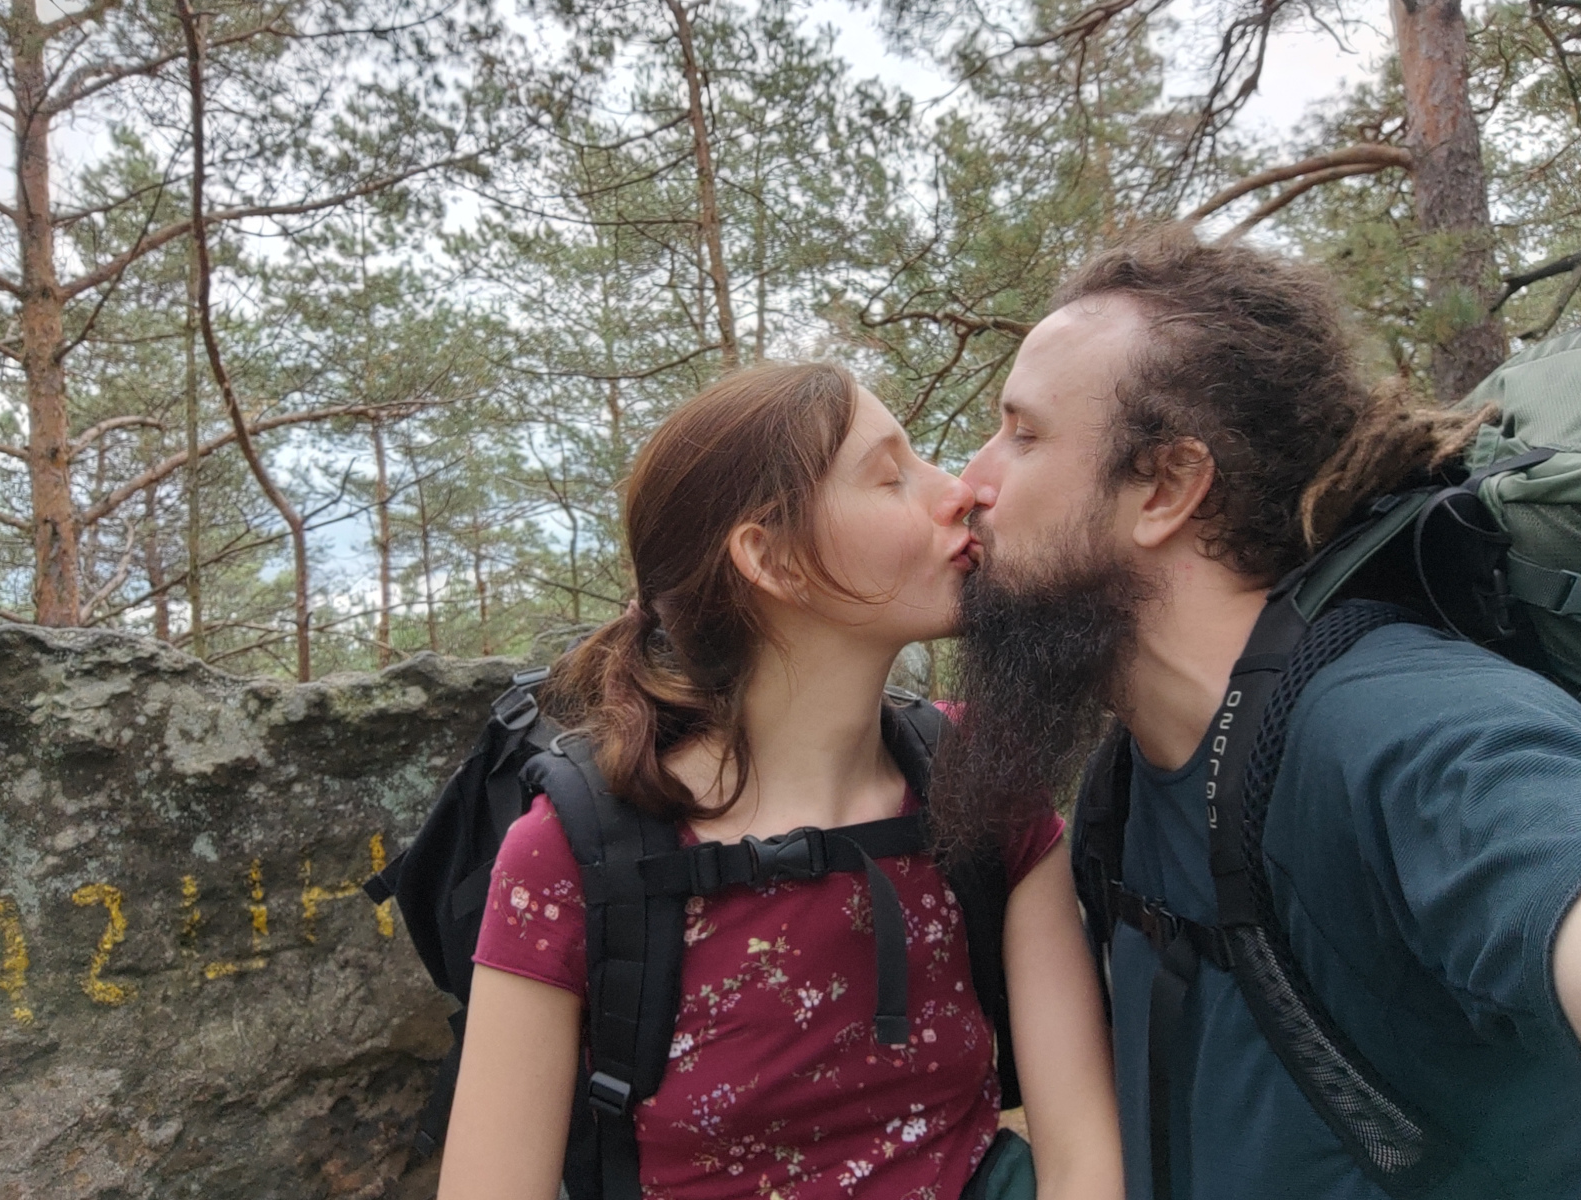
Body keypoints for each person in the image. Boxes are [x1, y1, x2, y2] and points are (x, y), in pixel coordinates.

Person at [932, 224, 1581, 1200]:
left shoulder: (1395, 724)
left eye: (1022, 435)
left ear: (1166, 487)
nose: (968, 485)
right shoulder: (1127, 772)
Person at [436, 362, 1124, 1200]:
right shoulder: (574, 855)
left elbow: (1084, 1159)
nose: (960, 491)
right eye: (892, 476)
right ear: (773, 559)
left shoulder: (980, 776)